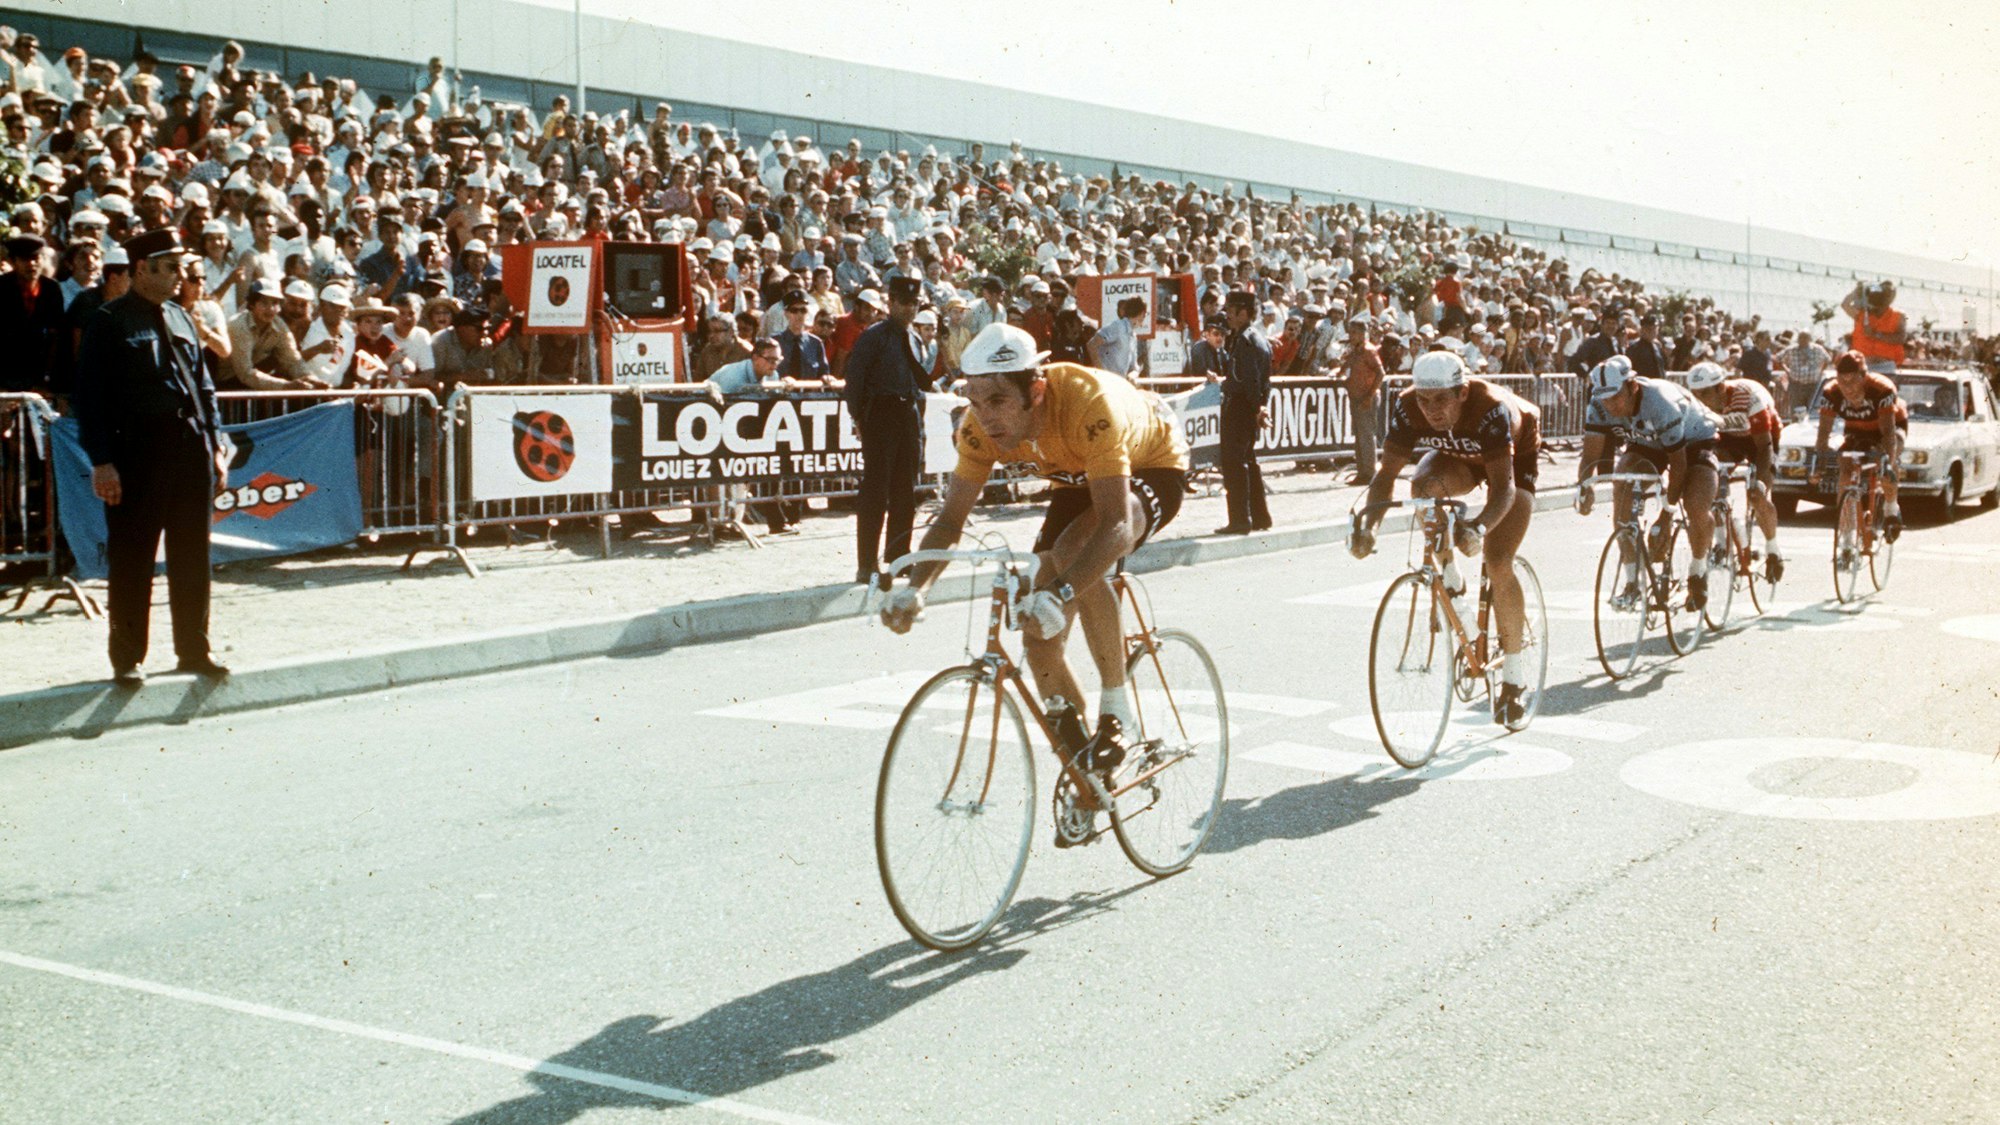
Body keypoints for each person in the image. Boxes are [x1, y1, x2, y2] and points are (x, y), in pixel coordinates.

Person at [880, 322, 1190, 790]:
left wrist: (1063, 590)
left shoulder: (1088, 402)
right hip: (1074, 471)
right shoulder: (978, 428)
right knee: (1035, 616)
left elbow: (1116, 525)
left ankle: (1117, 710)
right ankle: (1081, 753)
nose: (985, 417)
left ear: (1037, 391)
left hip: (1149, 461)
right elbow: (948, 521)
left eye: (999, 401)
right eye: (975, 401)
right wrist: (916, 588)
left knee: (1069, 556)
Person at [71, 229, 230, 684]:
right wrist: (102, 460)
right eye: (172, 267)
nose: (182, 275)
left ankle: (194, 650)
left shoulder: (182, 318)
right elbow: (90, 398)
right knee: (133, 558)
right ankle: (127, 658)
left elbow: (204, 388)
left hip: (189, 453)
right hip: (137, 457)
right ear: (143, 268)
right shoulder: (110, 321)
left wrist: (216, 446)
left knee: (192, 557)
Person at [1350, 351, 1541, 724]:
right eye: (1424, 399)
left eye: (1441, 400)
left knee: (1498, 560)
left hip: (1513, 461)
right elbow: (1385, 477)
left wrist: (1479, 527)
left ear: (1463, 393)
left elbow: (1503, 490)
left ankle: (1514, 680)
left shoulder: (1491, 408)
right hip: (1459, 456)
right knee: (1423, 486)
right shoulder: (1408, 408)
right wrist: (1369, 528)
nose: (1431, 410)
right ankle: (1452, 582)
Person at [1576, 355, 1722, 612]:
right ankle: (1633, 583)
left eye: (1614, 397)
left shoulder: (1659, 401)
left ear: (1632, 386)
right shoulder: (1598, 404)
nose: (1609, 405)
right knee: (1622, 485)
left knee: (1696, 506)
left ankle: (1698, 570)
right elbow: (1591, 455)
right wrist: (1584, 487)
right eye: (1603, 398)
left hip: (1694, 440)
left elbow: (1678, 465)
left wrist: (1666, 515)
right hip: (1649, 442)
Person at [843, 275, 932, 584]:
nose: (910, 309)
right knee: (876, 491)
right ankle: (866, 563)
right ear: (891, 302)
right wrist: (858, 418)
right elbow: (855, 379)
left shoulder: (916, 338)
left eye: (915, 303)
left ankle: (898, 556)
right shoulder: (874, 336)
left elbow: (920, 383)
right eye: (904, 303)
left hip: (907, 414)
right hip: (880, 414)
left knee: (905, 491)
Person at [1687, 360, 1785, 582]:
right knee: (1711, 486)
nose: (1699, 400)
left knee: (1757, 495)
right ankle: (1722, 542)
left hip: (1761, 439)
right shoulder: (1698, 403)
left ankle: (1773, 550)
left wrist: (1762, 482)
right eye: (1695, 394)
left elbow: (1764, 446)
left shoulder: (1748, 397)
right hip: (1728, 440)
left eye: (1703, 394)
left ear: (1720, 388)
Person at [1811, 349, 1906, 542]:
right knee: (1845, 470)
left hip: (1888, 428)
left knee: (1887, 463)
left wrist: (1887, 462)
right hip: (1856, 430)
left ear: (1864, 377)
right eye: (1842, 381)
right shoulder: (1831, 392)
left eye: (1852, 381)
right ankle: (1846, 536)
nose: (1848, 388)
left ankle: (1890, 508)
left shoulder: (1882, 388)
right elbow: (1823, 433)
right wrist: (1819, 463)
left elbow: (1888, 433)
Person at [1214, 290, 1272, 534]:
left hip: (1240, 407)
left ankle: (1240, 519)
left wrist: (1223, 384)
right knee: (1248, 461)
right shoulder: (1254, 338)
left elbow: (1248, 380)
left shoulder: (1246, 340)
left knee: (1235, 464)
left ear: (1244, 313)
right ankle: (1259, 517)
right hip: (1248, 406)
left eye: (1231, 310)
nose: (1227, 314)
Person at [1339, 315, 1384, 483]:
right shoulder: (1355, 350)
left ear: (1362, 333)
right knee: (1359, 436)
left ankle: (1369, 472)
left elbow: (1380, 373)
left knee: (1366, 436)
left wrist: (1369, 396)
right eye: (1350, 332)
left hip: (1366, 398)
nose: (1351, 336)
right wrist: (1339, 372)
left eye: (1354, 333)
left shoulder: (1369, 350)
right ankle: (1362, 472)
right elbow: (1348, 364)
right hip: (1356, 397)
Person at [1842, 281, 1907, 375]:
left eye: (1890, 293)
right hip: (1862, 364)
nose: (1886, 296)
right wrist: (1858, 291)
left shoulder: (1898, 315)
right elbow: (1845, 305)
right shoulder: (1862, 313)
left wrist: (1876, 335)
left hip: (1885, 365)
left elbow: (1901, 338)